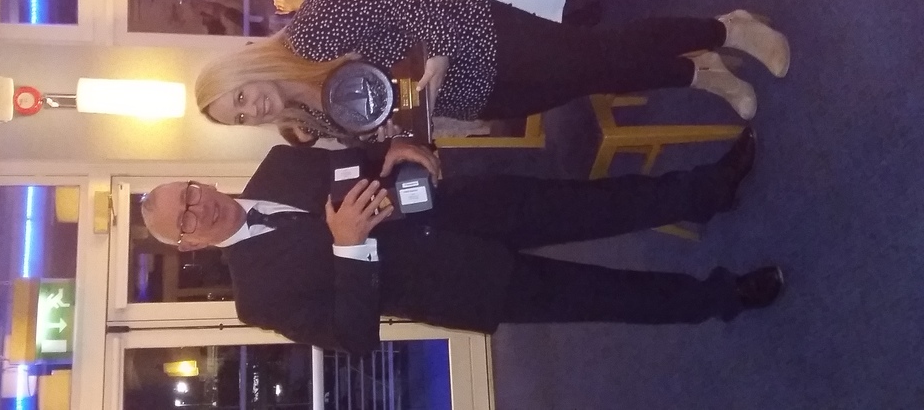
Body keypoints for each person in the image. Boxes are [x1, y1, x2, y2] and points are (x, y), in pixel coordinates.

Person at [140, 129, 785, 355]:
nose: (199, 205)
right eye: (185, 218)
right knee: (604, 294)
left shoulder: (278, 165)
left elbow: (355, 160)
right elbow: (352, 337)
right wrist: (348, 247)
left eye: (190, 191)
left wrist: (393, 147)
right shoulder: (257, 298)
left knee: (595, 203)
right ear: (188, 245)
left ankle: (708, 190)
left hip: (462, 206)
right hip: (461, 283)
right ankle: (724, 297)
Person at [196, 0, 790, 145]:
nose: (254, 109)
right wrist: (399, 132)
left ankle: (728, 28)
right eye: (241, 117)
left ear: (244, 71)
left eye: (241, 97)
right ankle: (700, 74)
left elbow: (401, 2)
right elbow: (380, 125)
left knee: (605, 52)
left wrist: (436, 55)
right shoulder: (310, 122)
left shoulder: (310, 29)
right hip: (474, 95)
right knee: (598, 78)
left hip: (479, 37)